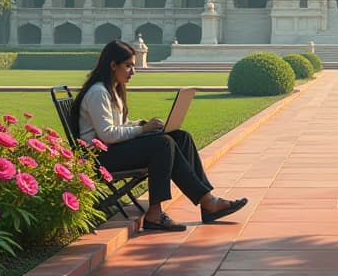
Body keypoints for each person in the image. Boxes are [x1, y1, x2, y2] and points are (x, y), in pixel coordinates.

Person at [72, 40, 247, 231]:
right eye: (128, 66)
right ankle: (158, 213)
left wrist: (142, 124)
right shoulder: (99, 92)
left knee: (181, 137)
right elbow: (107, 135)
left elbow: (120, 125)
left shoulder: (112, 89)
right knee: (163, 144)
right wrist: (142, 130)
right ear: (113, 65)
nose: (133, 71)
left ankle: (207, 201)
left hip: (113, 150)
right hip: (100, 157)